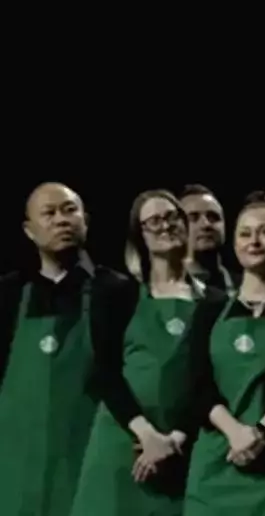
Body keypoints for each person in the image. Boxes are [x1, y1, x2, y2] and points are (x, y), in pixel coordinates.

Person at [71, 190, 216, 516]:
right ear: (140, 236)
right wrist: (146, 435)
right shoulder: (117, 294)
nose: (165, 226)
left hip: (180, 450)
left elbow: (209, 378)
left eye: (172, 217)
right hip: (123, 442)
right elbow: (103, 372)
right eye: (154, 221)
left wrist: (174, 439)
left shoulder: (213, 301)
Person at [0, 183, 126, 516]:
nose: (61, 220)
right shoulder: (9, 294)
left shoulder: (116, 291)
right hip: (13, 466)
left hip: (90, 458)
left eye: (70, 210)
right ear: (29, 230)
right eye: (49, 213)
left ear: (86, 220)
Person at [184, 193, 265, 515]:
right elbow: (197, 382)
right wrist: (234, 432)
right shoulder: (212, 307)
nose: (254, 241)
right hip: (215, 461)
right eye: (245, 233)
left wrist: (260, 433)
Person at [182, 185, 234, 293]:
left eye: (213, 217)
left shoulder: (246, 287)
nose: (206, 224)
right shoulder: (160, 290)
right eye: (193, 218)